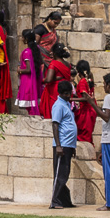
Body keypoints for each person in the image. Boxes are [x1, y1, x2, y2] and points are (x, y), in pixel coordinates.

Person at [78, 72, 110, 210]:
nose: (103, 86)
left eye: (104, 83)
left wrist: (92, 103)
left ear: (109, 84)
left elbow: (106, 116)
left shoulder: (109, 98)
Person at [49, 81, 77, 209]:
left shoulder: (66, 105)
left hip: (69, 144)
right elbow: (55, 124)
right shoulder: (58, 105)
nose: (68, 95)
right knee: (60, 174)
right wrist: (58, 145)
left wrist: (73, 147)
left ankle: (65, 200)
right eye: (66, 93)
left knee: (65, 173)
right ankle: (54, 201)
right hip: (62, 144)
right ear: (61, 93)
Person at [15, 27, 42, 114]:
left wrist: (19, 70)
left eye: (22, 37)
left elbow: (29, 69)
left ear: (26, 39)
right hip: (35, 80)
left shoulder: (27, 52)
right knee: (33, 105)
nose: (22, 39)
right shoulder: (36, 49)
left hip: (28, 81)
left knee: (30, 105)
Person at [73, 59, 98, 144]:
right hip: (91, 111)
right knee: (87, 136)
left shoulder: (83, 81)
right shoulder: (90, 80)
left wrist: (71, 99)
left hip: (85, 112)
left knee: (83, 137)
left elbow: (85, 98)